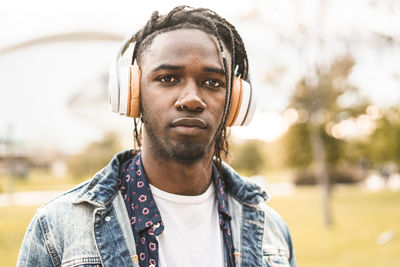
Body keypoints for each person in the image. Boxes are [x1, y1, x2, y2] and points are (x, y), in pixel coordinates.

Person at [17, 6, 296, 267]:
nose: (191, 99)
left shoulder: (271, 232)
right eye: (168, 78)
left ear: (235, 103)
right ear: (132, 93)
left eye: (212, 82)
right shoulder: (57, 228)